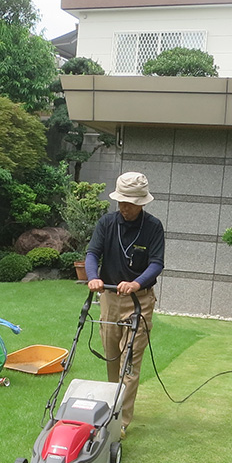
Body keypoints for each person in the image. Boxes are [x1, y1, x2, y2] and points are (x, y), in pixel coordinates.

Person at [85, 171, 165, 436]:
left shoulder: (153, 227)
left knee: (129, 361)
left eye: (129, 202)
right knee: (112, 356)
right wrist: (94, 277)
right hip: (109, 298)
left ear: (142, 202)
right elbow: (92, 253)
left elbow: (156, 263)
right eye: (121, 201)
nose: (124, 207)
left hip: (138, 300)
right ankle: (111, 407)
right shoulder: (107, 224)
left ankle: (120, 420)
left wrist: (136, 283)